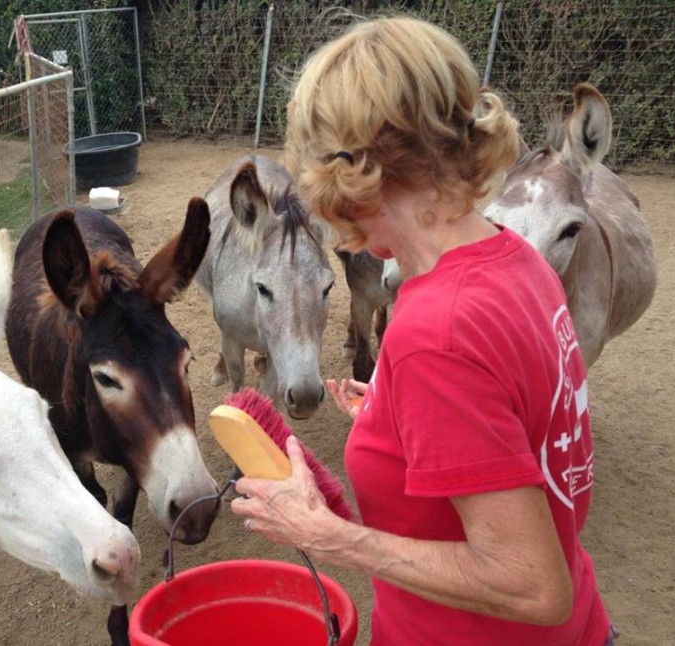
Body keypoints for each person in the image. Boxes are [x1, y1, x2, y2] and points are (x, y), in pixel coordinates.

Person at [230, 15, 615, 646]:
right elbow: (516, 416)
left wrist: (329, 536)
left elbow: (533, 586)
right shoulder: (515, 258)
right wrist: (398, 421)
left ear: (349, 168)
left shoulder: (438, 329)